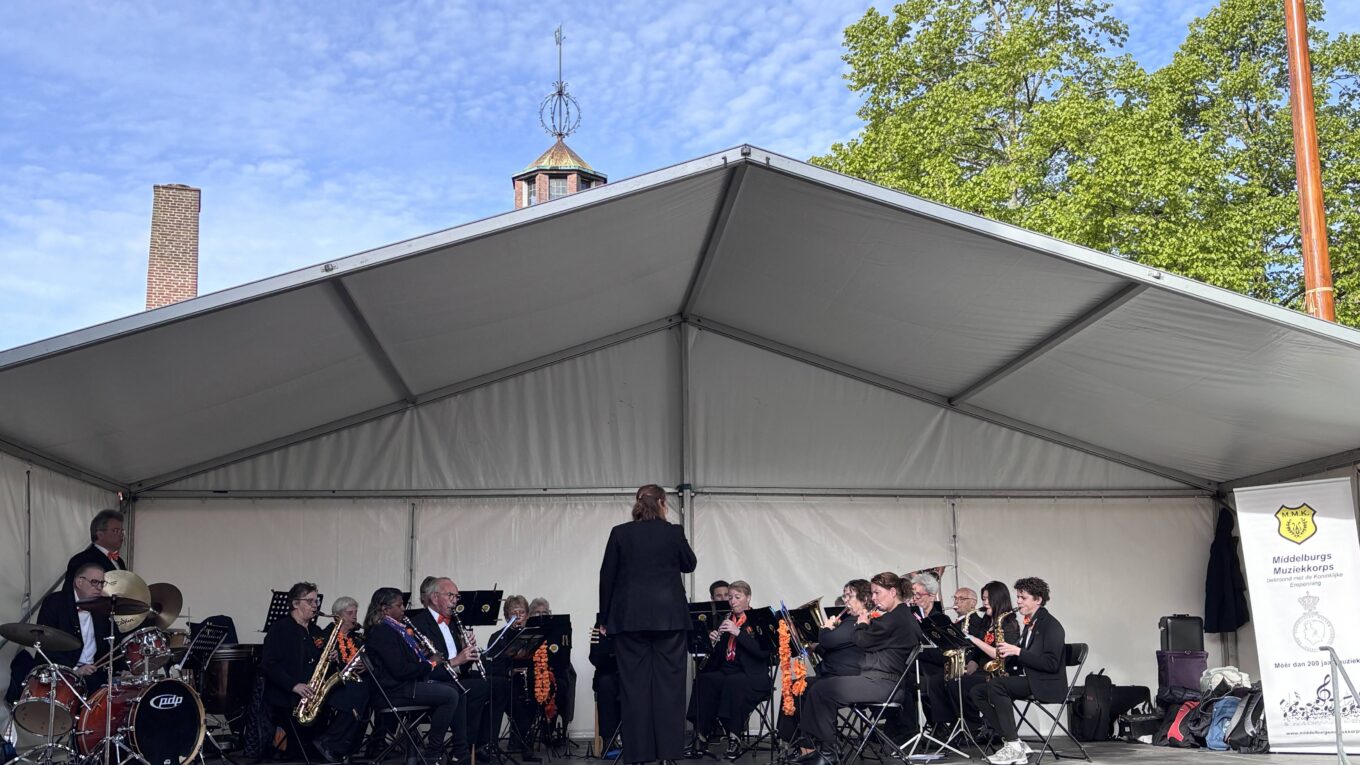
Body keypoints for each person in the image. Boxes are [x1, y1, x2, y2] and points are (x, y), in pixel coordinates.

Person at [599, 484, 698, 765]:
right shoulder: (673, 532)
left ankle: (639, 754)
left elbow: (606, 577)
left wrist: (604, 618)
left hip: (629, 620)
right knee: (670, 687)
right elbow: (689, 564)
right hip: (670, 619)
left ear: (637, 504)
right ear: (663, 503)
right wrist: (672, 530)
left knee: (634, 688)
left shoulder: (620, 533)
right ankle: (668, 753)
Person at [797, 572, 924, 765]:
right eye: (872, 593)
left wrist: (861, 623)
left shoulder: (895, 619)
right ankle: (820, 750)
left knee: (821, 690)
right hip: (880, 680)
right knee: (820, 688)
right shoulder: (899, 616)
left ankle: (827, 753)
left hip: (883, 683)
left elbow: (862, 640)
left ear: (892, 592)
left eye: (877, 593)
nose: (873, 598)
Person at [260, 582, 367, 763]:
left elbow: (319, 662)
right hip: (291, 692)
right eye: (310, 601)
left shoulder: (315, 631)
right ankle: (329, 743)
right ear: (295, 603)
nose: (315, 606)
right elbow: (269, 665)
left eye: (316, 601)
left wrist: (332, 657)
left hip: (314, 689)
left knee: (358, 693)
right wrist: (294, 685)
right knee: (349, 699)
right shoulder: (280, 629)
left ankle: (333, 744)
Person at [971, 578, 1066, 765]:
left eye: (1023, 597)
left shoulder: (1051, 625)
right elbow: (1028, 658)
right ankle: (1014, 742)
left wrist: (1018, 651)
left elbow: (1051, 664)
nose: (1018, 601)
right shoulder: (1031, 623)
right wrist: (1011, 668)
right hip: (1032, 678)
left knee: (997, 685)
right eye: (1018, 597)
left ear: (1038, 599)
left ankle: (1013, 746)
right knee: (978, 691)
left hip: (1047, 684)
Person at [364, 587, 463, 765]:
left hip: (402, 686)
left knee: (452, 688)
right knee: (450, 695)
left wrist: (421, 654)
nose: (403, 609)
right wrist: (430, 663)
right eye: (399, 605)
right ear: (385, 609)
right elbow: (400, 670)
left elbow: (402, 661)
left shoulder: (393, 629)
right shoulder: (382, 631)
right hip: (393, 692)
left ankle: (426, 751)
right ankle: (433, 752)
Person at [686, 580, 771, 759]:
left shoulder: (758, 619)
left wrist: (738, 633)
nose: (732, 601)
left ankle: (734, 737)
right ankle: (701, 736)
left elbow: (763, 652)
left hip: (752, 674)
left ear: (748, 598)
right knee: (705, 680)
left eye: (737, 597)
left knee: (734, 683)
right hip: (727, 670)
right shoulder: (725, 619)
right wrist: (712, 641)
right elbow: (720, 656)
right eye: (730, 597)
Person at [777, 580, 869, 744]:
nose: (845, 600)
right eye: (844, 595)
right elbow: (838, 649)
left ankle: (805, 742)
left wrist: (825, 628)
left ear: (864, 599)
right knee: (796, 686)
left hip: (844, 679)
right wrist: (817, 647)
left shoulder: (857, 621)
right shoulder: (850, 621)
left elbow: (827, 641)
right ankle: (799, 741)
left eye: (850, 596)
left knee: (801, 688)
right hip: (837, 675)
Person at [406, 577, 484, 762]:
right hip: (433, 679)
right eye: (451, 596)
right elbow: (423, 667)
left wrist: (466, 651)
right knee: (460, 691)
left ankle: (479, 745)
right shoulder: (418, 624)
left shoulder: (453, 622)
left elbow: (461, 665)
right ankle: (460, 752)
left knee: (490, 686)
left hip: (453, 677)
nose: (455, 601)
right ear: (434, 597)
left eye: (457, 597)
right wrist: (457, 660)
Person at [951, 581, 1018, 734]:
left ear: (998, 599)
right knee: (954, 682)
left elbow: (999, 654)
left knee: (963, 685)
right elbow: (978, 652)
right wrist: (972, 663)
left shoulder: (1009, 624)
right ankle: (972, 726)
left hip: (1002, 672)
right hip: (983, 670)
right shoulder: (986, 621)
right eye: (983, 599)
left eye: (987, 599)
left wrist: (973, 639)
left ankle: (979, 727)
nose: (984, 603)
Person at [37, 562, 113, 690]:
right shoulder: (55, 603)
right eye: (95, 582)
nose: (99, 587)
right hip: (61, 672)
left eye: (102, 583)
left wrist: (123, 669)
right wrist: (74, 669)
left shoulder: (102, 607)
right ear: (79, 582)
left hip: (95, 671)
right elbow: (45, 644)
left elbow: (112, 643)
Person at [62, 510, 127, 592]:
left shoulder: (120, 561)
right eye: (116, 530)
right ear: (100, 534)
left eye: (122, 531)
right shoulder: (82, 559)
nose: (121, 534)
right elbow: (70, 593)